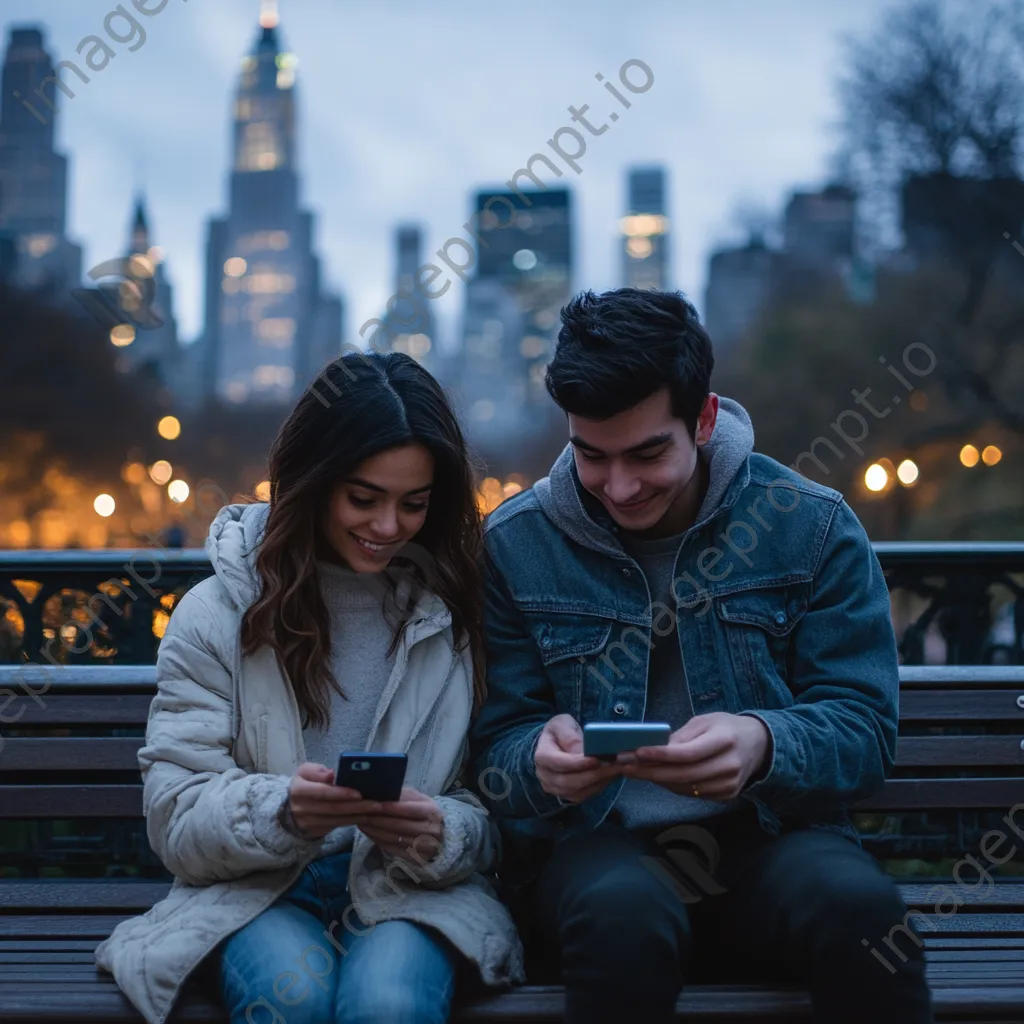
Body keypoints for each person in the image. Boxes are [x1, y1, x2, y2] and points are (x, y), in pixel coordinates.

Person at [469, 288, 934, 1024]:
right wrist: (537, 763)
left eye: (648, 453)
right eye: (592, 456)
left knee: (863, 912)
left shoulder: (810, 528)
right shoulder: (516, 544)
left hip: (774, 838)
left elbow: (865, 729)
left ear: (704, 418)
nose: (620, 486)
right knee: (620, 920)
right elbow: (493, 748)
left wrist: (764, 742)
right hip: (598, 849)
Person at [95, 352, 524, 1024]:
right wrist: (283, 814)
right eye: (363, 498)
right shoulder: (215, 615)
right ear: (313, 481)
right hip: (254, 891)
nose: (388, 528)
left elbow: (493, 805)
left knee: (388, 1003)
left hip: (407, 888)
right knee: (290, 1000)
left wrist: (440, 829)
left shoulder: (453, 613)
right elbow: (176, 815)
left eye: (414, 504)